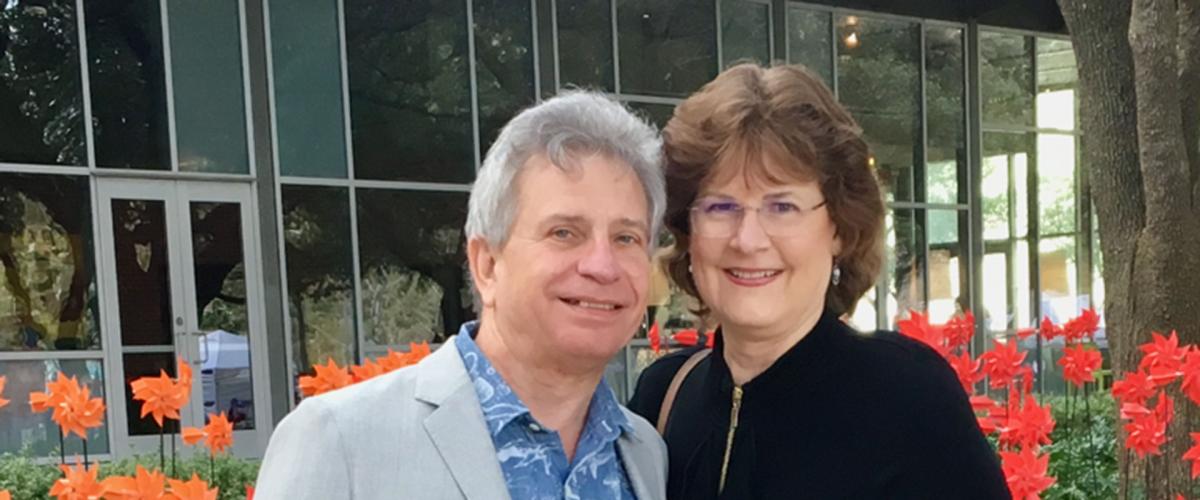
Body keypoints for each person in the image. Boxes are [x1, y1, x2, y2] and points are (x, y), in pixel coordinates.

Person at [255, 91, 669, 500]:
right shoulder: (340, 442)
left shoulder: (644, 455)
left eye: (626, 237)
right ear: (486, 264)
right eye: (564, 233)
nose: (602, 265)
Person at [626, 63, 1009, 499]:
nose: (748, 240)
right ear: (687, 231)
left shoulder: (904, 399)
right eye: (720, 207)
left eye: (782, 206)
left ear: (839, 228)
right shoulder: (664, 399)